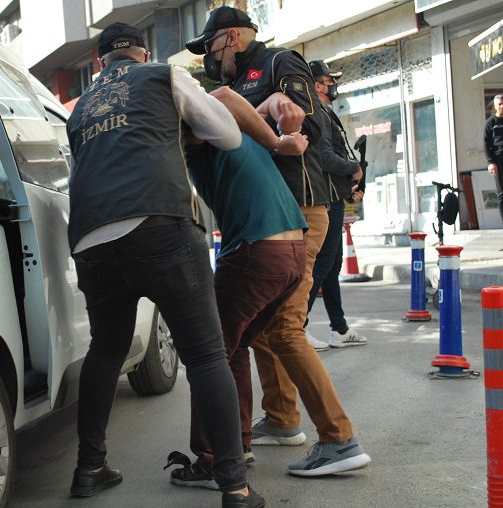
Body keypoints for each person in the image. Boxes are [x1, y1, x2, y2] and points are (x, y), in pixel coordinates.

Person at [65, 22, 286, 508]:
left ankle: (89, 467)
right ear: (143, 54)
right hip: (159, 222)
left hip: (90, 239)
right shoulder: (163, 75)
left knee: (105, 352)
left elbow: (80, 173)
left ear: (100, 63)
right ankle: (234, 485)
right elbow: (226, 135)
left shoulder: (79, 108)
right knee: (206, 355)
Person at [187, 6, 371, 477]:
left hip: (298, 211)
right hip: (270, 218)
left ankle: (339, 440)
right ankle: (283, 418)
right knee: (263, 327)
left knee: (285, 328)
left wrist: (273, 120)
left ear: (231, 37)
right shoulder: (242, 81)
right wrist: (262, 110)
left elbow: (302, 120)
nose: (209, 58)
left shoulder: (279, 62)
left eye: (210, 47)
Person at [168, 87, 308, 490]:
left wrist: (279, 143)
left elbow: (228, 96)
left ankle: (213, 460)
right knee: (234, 349)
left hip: (254, 251)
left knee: (208, 354)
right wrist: (272, 119)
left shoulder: (203, 135)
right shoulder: (237, 134)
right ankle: (238, 444)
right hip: (291, 251)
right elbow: (250, 108)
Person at [304, 60, 368, 350]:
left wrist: (348, 187)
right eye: (330, 81)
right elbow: (325, 158)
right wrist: (354, 168)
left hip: (333, 195)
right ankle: (297, 326)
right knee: (322, 263)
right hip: (325, 199)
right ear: (318, 85)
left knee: (331, 265)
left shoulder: (325, 111)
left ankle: (339, 328)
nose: (333, 85)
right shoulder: (316, 111)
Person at [484, 94, 503, 220]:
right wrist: (490, 162)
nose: (502, 106)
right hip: (499, 162)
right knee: (502, 194)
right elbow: (486, 144)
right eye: (500, 104)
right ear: (495, 107)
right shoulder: (490, 123)